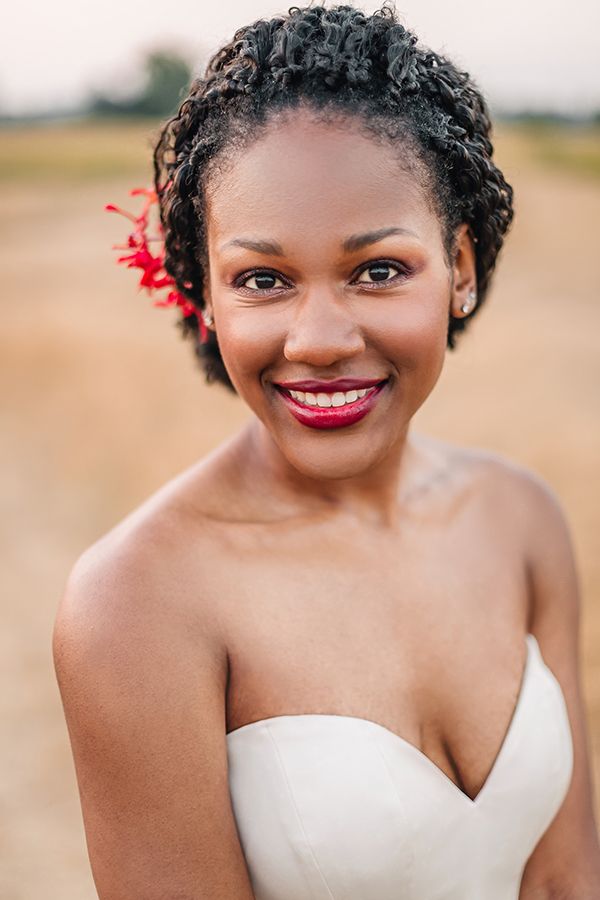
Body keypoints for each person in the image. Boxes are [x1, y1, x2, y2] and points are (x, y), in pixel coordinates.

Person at [53, 4, 600, 898]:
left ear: (459, 267)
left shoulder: (521, 518)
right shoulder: (136, 605)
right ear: (208, 295)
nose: (315, 339)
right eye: (263, 280)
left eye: (377, 268)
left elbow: (568, 876)